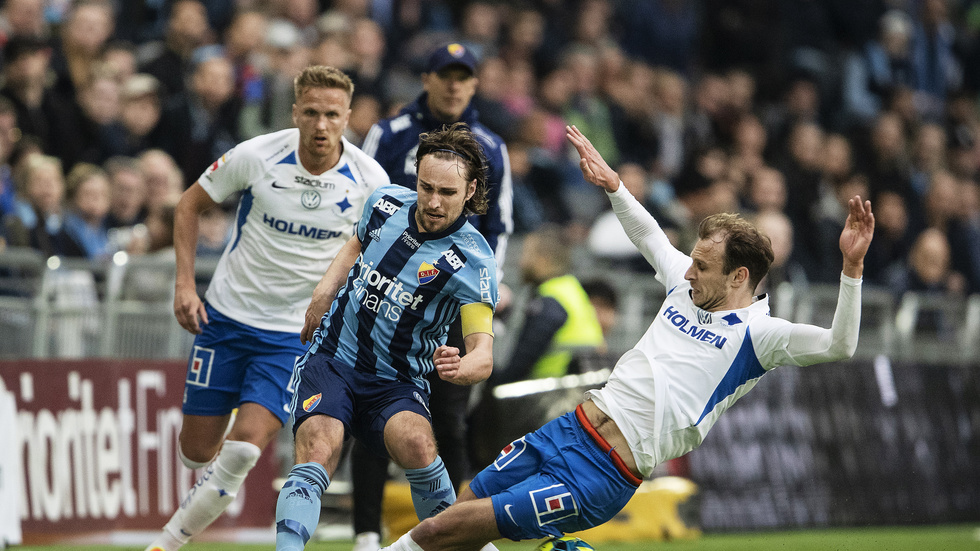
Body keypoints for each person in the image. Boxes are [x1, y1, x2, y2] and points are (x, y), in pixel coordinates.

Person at [378, 125, 875, 551]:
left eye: (702, 267)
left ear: (739, 277)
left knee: (449, 527)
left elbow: (840, 345)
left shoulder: (762, 336)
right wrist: (614, 185)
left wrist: (850, 269)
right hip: (570, 428)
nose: (689, 272)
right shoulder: (687, 287)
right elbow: (650, 236)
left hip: (603, 472)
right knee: (469, 505)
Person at [143, 65, 390, 551]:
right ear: (295, 112)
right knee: (196, 453)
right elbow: (188, 205)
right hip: (226, 319)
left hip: (291, 335)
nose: (322, 126)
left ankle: (166, 544)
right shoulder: (257, 155)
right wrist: (185, 285)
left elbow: (377, 250)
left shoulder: (369, 180)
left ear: (348, 118)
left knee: (244, 449)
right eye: (313, 113)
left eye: (333, 115)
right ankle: (200, 491)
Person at [274, 122, 499, 551]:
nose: (432, 202)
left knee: (418, 445)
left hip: (396, 383)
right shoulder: (384, 203)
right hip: (334, 359)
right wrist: (324, 292)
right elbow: (356, 244)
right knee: (320, 449)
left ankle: (458, 541)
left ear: (470, 191)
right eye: (426, 186)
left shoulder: (474, 261)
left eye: (447, 193)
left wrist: (460, 367)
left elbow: (482, 355)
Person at [354, 42, 513, 551]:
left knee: (448, 419)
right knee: (370, 411)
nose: (453, 84)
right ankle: (364, 533)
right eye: (445, 74)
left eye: (463, 76)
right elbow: (368, 211)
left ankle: (459, 530)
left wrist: (484, 293)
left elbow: (500, 229)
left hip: (452, 300)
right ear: (426, 79)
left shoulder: (491, 145)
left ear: (474, 84)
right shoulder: (392, 134)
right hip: (384, 298)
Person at [490, 224, 604, 386]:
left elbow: (519, 365)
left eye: (526, 254)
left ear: (543, 260)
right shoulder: (572, 289)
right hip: (570, 391)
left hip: (549, 394)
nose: (521, 262)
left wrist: (493, 379)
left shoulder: (549, 302)